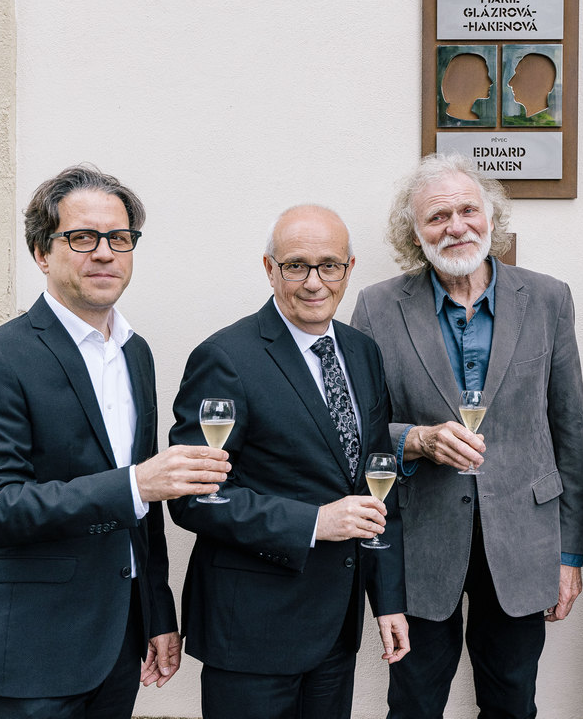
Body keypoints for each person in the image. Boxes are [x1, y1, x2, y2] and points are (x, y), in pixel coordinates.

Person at [0, 164, 231, 717]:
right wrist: (135, 483)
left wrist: (157, 613)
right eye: (82, 237)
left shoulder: (135, 352)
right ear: (41, 252)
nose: (104, 252)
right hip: (29, 649)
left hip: (118, 643)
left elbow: (139, 510)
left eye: (119, 238)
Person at [351, 152, 583, 719]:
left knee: (511, 702)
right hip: (420, 540)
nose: (455, 226)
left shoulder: (549, 298)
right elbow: (354, 431)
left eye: (467, 210)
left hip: (524, 540)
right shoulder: (378, 306)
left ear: (490, 216)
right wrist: (416, 440)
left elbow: (567, 430)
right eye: (436, 217)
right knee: (414, 702)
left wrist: (570, 551)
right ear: (414, 233)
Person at [168, 204, 408, 719]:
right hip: (253, 630)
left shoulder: (363, 352)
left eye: (329, 265)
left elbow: (378, 482)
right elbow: (193, 501)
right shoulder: (226, 357)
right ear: (269, 268)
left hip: (336, 631)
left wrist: (387, 598)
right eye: (296, 265)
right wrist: (315, 522)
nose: (314, 282)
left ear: (349, 269)